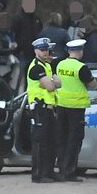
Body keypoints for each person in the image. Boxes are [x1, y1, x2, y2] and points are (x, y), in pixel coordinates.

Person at [55, 39, 96, 182]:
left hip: (61, 106)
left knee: (62, 139)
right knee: (74, 140)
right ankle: (69, 171)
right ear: (80, 51)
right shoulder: (81, 68)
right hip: (76, 108)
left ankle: (61, 168)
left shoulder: (60, 64)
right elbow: (92, 84)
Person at [27, 37, 61, 184]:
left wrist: (52, 82)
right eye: (42, 49)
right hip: (39, 109)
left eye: (47, 49)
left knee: (51, 142)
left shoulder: (46, 65)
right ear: (35, 51)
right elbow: (52, 86)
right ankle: (39, 174)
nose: (45, 52)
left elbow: (58, 83)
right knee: (41, 143)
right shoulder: (36, 67)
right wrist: (52, 82)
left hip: (49, 109)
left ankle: (49, 172)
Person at [11, 0, 42, 91]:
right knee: (18, 78)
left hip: (34, 52)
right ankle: (14, 97)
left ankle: (28, 96)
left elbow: (40, 32)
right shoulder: (17, 18)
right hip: (21, 52)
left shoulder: (36, 19)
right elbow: (12, 33)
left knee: (31, 77)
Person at [0, 11, 18, 89]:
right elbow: (0, 50)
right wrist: (12, 49)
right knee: (1, 84)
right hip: (0, 63)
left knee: (8, 83)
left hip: (8, 62)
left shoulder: (7, 34)